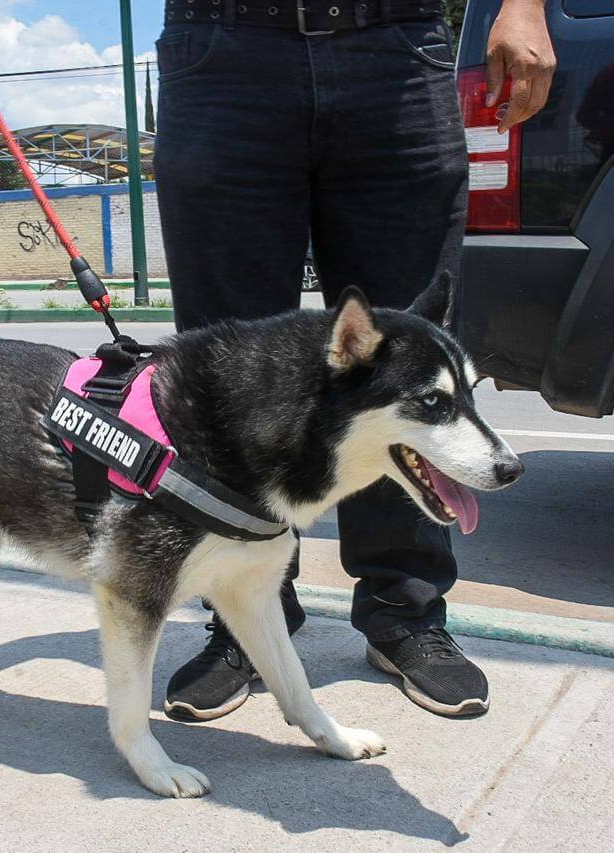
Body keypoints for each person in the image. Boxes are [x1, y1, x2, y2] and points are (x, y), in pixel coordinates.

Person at [152, 0, 555, 719]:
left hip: (394, 50)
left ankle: (406, 610)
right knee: (226, 377)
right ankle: (245, 615)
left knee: (412, 354)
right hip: (222, 51)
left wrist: (521, 7)